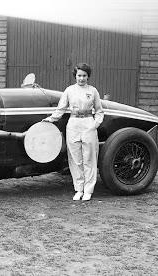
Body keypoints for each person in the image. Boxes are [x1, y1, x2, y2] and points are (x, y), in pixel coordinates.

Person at [43, 63, 104, 201]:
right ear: (75, 76)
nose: (81, 78)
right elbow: (61, 108)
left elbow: (99, 111)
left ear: (88, 77)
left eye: (84, 76)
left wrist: (95, 124)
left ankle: (88, 190)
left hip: (88, 123)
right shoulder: (69, 90)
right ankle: (79, 189)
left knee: (89, 157)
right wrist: (51, 119)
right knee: (75, 159)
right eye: (79, 76)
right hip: (73, 124)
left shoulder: (93, 91)